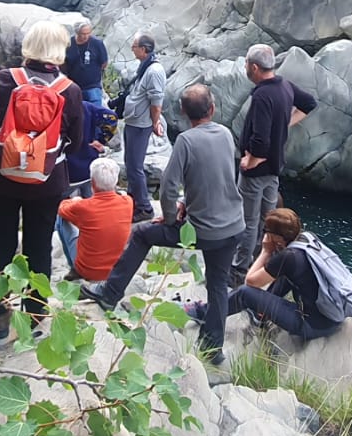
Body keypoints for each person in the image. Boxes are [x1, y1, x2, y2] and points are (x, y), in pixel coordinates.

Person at [80, 84, 246, 364]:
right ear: (213, 109)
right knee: (218, 284)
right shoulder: (226, 133)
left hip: (203, 231)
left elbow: (169, 186)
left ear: (182, 112)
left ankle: (110, 293)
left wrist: (171, 218)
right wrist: (187, 205)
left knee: (143, 234)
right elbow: (219, 176)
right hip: (233, 226)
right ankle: (212, 348)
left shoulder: (186, 140)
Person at [0, 22, 85, 340]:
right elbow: (75, 143)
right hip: (46, 183)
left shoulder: (3, 81)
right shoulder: (70, 90)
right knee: (38, 248)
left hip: (2, 179)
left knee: (0, 244)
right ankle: (35, 316)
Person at [235, 43, 317, 275]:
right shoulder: (285, 86)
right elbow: (309, 104)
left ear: (254, 67)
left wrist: (251, 160)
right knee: (268, 219)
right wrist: (285, 124)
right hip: (275, 168)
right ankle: (262, 261)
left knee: (248, 221)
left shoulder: (262, 95)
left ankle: (240, 268)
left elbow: (260, 140)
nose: (245, 69)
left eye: (246, 65)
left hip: (256, 172)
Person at [211, 208, 346, 341]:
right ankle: (260, 315)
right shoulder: (306, 239)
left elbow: (250, 282)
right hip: (330, 317)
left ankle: (206, 314)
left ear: (278, 237)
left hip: (310, 324)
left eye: (266, 231)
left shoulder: (289, 257)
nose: (264, 235)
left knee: (244, 293)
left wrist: (266, 251)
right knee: (286, 275)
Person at [55, 158, 132, 282]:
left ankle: (74, 269)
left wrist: (75, 201)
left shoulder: (83, 206)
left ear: (93, 183)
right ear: (115, 181)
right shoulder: (127, 201)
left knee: (61, 219)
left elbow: (61, 208)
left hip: (88, 270)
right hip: (116, 270)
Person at [118, 33, 165, 223]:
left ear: (144, 49)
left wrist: (155, 122)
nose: (132, 48)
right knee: (130, 164)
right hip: (133, 123)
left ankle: (145, 207)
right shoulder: (145, 66)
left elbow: (156, 101)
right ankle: (133, 201)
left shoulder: (154, 71)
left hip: (141, 125)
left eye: (135, 46)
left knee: (135, 167)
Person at [63, 22, 109, 106]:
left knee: (95, 112)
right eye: (83, 34)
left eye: (88, 33)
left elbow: (104, 63)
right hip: (74, 87)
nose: (86, 36)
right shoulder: (68, 44)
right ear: (77, 33)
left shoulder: (97, 44)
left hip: (93, 86)